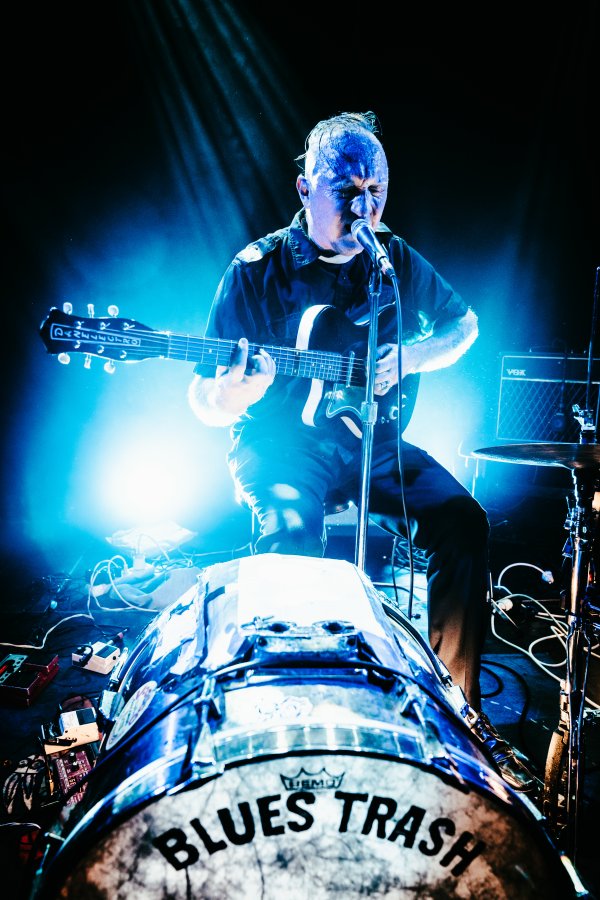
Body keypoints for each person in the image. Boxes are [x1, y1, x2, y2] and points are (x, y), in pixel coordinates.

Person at [188, 110, 537, 794]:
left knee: (462, 523)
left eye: (376, 190)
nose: (364, 206)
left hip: (371, 442)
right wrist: (232, 393)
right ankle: (288, 725)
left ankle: (457, 720)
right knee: (292, 541)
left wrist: (412, 356)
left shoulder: (392, 259)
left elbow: (464, 326)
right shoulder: (256, 270)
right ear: (304, 188)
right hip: (280, 447)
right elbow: (202, 398)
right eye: (346, 190)